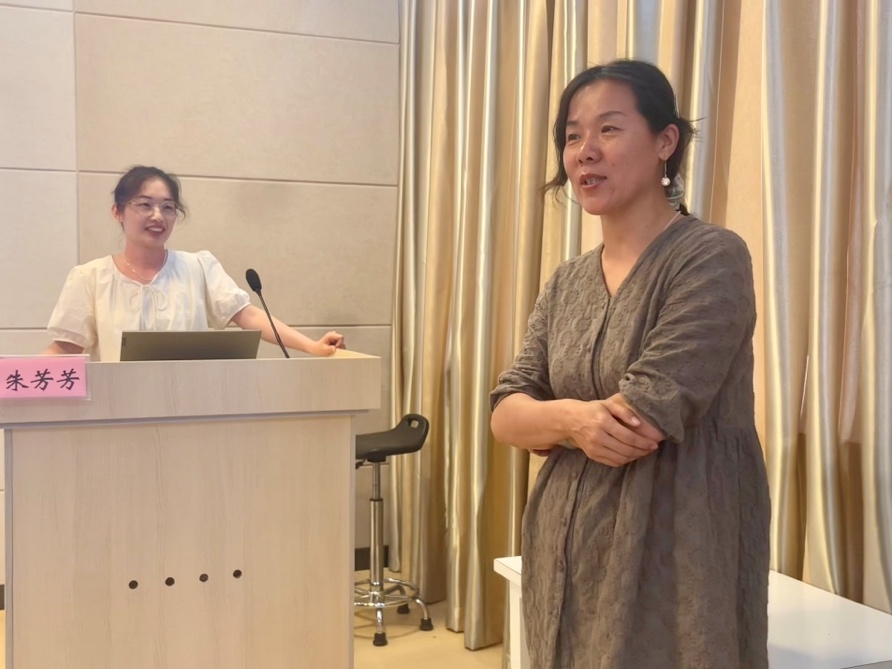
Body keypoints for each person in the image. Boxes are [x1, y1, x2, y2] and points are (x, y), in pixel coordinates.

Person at [490, 60, 770, 668]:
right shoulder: (566, 282)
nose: (585, 151)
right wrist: (573, 421)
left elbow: (641, 418)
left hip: (674, 547)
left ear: (666, 141)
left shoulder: (710, 257)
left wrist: (551, 421)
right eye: (572, 135)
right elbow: (506, 411)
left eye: (609, 129)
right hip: (563, 544)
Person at [44, 165, 345, 361]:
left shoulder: (198, 267)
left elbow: (248, 315)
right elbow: (65, 348)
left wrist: (311, 346)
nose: (158, 216)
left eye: (168, 207)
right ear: (117, 212)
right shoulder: (90, 277)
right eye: (145, 205)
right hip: (119, 416)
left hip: (192, 410)